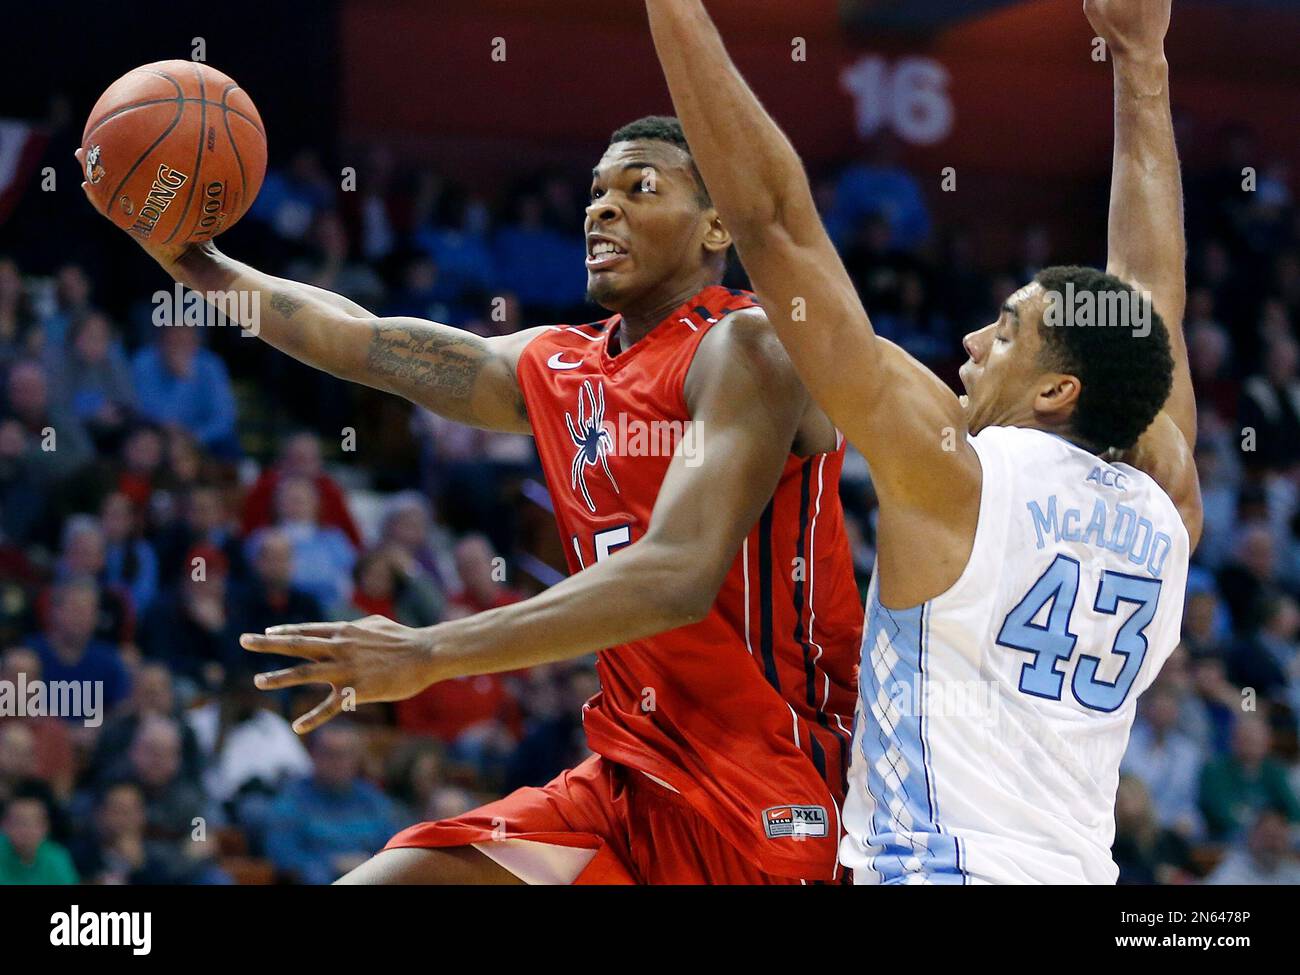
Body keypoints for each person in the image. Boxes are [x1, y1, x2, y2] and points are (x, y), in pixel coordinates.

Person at [79, 113, 864, 885]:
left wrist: (429, 651)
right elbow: (362, 340)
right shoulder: (561, 366)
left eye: (641, 186)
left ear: (717, 226)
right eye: (596, 191)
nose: (602, 207)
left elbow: (677, 576)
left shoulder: (750, 346)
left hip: (773, 788)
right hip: (628, 781)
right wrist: (198, 263)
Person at [645, 0, 1200, 883]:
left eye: (1008, 333)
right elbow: (1146, 304)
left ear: (1058, 391)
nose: (975, 341)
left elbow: (778, 228)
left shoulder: (958, 474)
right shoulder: (1170, 507)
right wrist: (1142, 60)